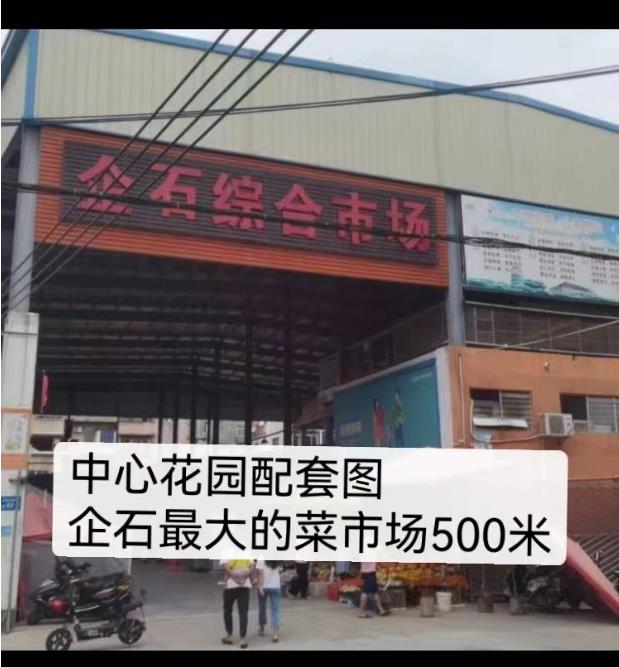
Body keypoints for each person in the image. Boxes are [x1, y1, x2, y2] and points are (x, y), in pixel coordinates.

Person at [222, 559, 255, 649]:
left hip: (230, 585)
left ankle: (229, 635)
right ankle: (242, 639)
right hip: (244, 585)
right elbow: (252, 566)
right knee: (243, 612)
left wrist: (233, 575)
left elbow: (225, 566)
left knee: (227, 610)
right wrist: (246, 575)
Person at [256, 560, 283, 643]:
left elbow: (261, 574)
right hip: (275, 587)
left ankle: (262, 629)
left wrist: (260, 586)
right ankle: (275, 634)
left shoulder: (261, 559)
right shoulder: (278, 560)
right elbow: (279, 573)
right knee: (275, 610)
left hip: (264, 587)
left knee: (262, 608)